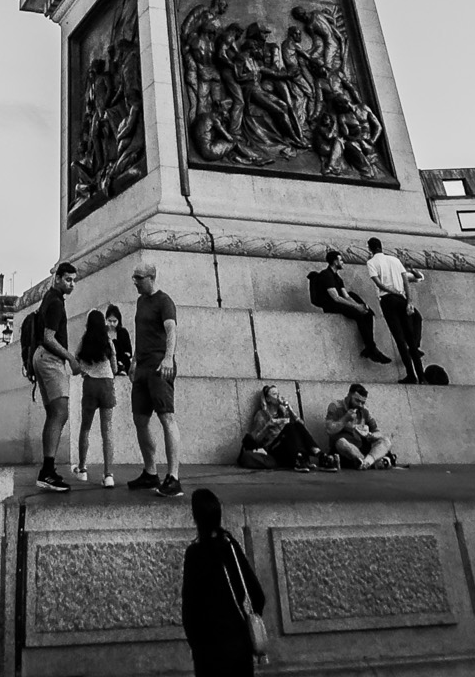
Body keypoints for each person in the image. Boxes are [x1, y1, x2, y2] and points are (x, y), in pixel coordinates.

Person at [181, 487, 266, 677]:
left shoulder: (195, 553)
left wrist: (196, 645)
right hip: (239, 647)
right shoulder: (231, 546)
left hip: (209, 651)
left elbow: (190, 608)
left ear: (196, 518)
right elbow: (257, 594)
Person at [127, 259, 182, 497]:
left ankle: (173, 477)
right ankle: (150, 472)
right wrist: (134, 361)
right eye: (134, 277)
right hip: (142, 367)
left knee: (166, 417)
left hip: (160, 366)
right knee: (140, 419)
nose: (135, 282)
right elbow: (141, 334)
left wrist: (168, 358)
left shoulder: (164, 301)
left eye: (139, 278)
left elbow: (171, 330)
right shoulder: (141, 302)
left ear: (151, 278)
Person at [34, 262, 80, 492]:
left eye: (74, 280)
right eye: (68, 279)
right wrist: (70, 358)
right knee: (60, 412)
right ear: (58, 278)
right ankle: (47, 471)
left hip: (42, 357)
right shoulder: (55, 303)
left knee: (54, 413)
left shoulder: (51, 298)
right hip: (50, 359)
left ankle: (47, 470)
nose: (72, 284)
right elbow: (49, 337)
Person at [306, 249, 393, 363]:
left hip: (339, 303)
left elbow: (346, 296)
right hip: (331, 306)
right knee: (359, 315)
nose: (343, 262)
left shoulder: (338, 278)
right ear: (335, 262)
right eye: (341, 260)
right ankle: (372, 349)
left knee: (368, 314)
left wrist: (359, 306)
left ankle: (370, 347)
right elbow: (336, 298)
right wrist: (356, 307)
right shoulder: (326, 275)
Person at [365, 236, 426, 383]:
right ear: (381, 246)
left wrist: (392, 291)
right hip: (402, 299)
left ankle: (411, 375)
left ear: (370, 248)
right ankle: (422, 376)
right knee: (411, 340)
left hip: (388, 300)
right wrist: (409, 301)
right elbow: (406, 282)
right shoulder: (395, 260)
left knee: (399, 339)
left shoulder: (371, 262)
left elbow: (379, 284)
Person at [72, 308, 119, 486]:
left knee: (85, 428)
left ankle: (82, 469)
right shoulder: (108, 342)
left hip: (90, 384)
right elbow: (114, 368)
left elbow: (76, 362)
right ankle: (108, 475)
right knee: (107, 430)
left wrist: (85, 370)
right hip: (106, 384)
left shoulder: (84, 341)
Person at [243, 383, 330, 471]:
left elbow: (301, 425)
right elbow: (255, 440)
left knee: (297, 425)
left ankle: (319, 454)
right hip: (273, 448)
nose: (278, 397)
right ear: (268, 399)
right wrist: (268, 426)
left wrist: (289, 409)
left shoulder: (283, 412)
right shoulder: (261, 415)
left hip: (287, 447)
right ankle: (299, 458)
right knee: (289, 427)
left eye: (278, 394)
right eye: (274, 394)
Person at [324, 382, 394, 469]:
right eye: (357, 401)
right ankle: (373, 463)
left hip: (362, 445)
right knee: (341, 442)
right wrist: (345, 419)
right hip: (345, 448)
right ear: (349, 396)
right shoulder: (335, 406)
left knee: (386, 441)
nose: (360, 405)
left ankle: (366, 462)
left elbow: (377, 432)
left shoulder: (364, 411)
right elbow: (329, 430)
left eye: (363, 402)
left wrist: (371, 436)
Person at [104, 303, 135, 376]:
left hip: (122, 361)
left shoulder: (123, 332)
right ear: (106, 320)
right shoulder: (103, 332)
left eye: (114, 321)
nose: (112, 324)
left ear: (118, 321)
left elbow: (129, 352)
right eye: (109, 321)